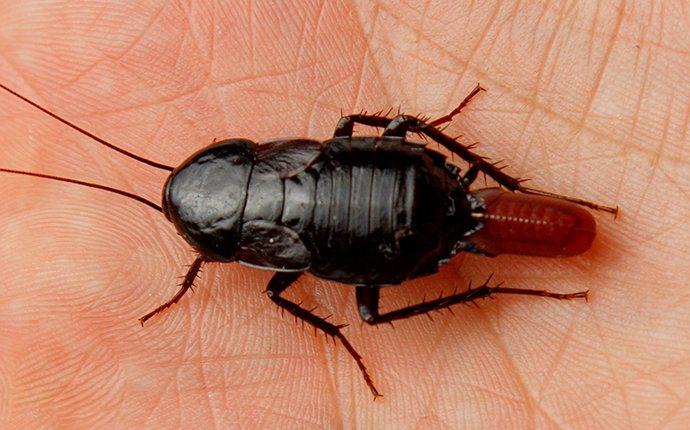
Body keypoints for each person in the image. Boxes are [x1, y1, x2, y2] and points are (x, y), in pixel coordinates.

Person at [0, 1, 688, 428]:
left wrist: (191, 287)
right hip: (378, 175)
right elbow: (351, 130)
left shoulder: (254, 263)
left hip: (375, 239)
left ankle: (496, 281)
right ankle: (503, 262)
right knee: (394, 125)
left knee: (366, 314)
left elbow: (275, 277)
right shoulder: (257, 165)